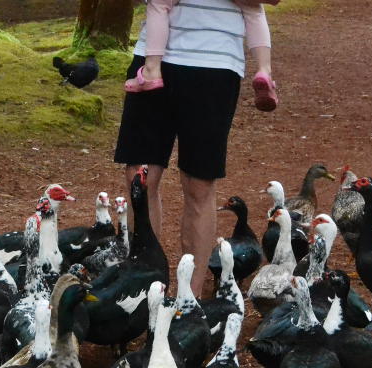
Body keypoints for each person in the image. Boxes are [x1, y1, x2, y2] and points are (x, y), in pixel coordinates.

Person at [115, 0, 268, 296]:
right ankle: (145, 292)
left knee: (198, 185)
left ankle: (191, 300)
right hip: (152, 56)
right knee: (139, 178)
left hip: (216, 65)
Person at [125, 0, 279, 111]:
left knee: (159, 5)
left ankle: (152, 69)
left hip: (177, 59)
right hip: (219, 60)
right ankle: (264, 70)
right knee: (253, 10)